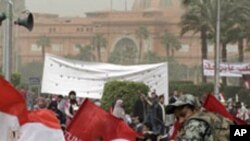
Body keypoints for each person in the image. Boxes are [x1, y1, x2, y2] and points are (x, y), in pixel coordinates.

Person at [166, 94, 231, 141]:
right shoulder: (214, 118)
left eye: (183, 115)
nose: (180, 121)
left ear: (195, 110)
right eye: (177, 118)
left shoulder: (195, 122)